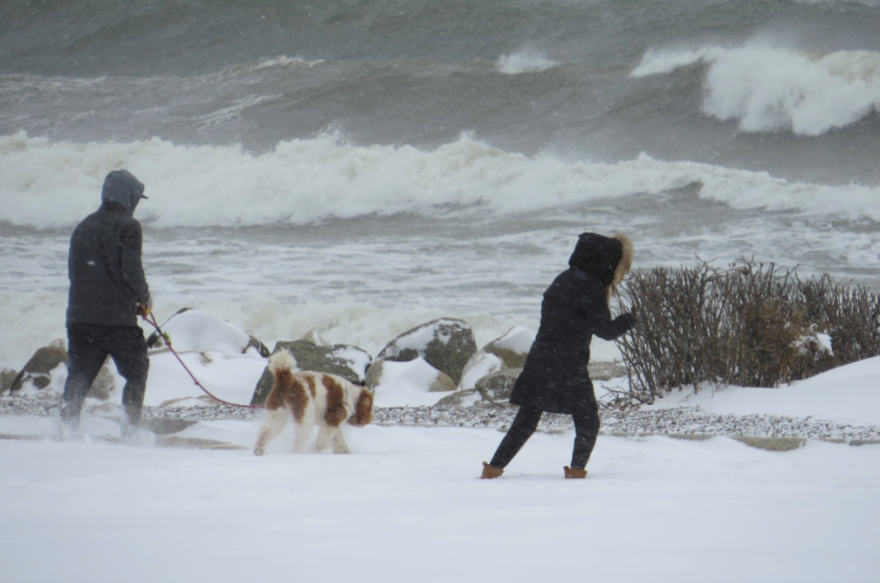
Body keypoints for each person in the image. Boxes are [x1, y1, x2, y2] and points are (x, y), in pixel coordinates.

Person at [481, 233, 636, 479]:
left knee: (526, 421)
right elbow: (606, 331)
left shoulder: (562, 279)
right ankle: (576, 472)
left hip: (541, 358)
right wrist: (630, 319)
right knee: (588, 422)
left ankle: (492, 470)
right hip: (568, 364)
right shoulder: (590, 286)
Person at [61, 169, 153, 438]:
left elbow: (74, 273)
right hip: (117, 322)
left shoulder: (83, 225)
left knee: (78, 376)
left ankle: (66, 430)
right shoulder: (128, 225)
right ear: (128, 196)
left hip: (80, 319)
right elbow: (131, 269)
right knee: (137, 371)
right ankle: (130, 432)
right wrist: (144, 298)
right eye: (136, 197)